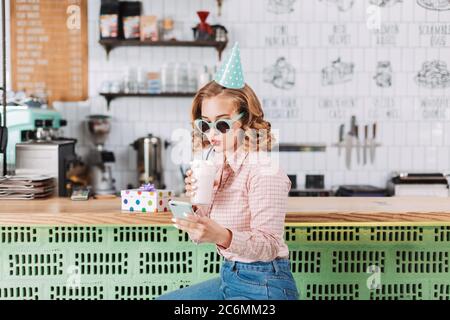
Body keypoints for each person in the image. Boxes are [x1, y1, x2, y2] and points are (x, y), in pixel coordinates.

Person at [157, 43, 299, 300]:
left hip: (265, 283)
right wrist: (198, 207)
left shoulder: (264, 171)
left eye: (222, 124)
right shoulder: (215, 165)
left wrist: (220, 235)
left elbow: (268, 245)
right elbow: (207, 228)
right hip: (230, 276)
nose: (211, 134)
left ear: (245, 120)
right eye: (205, 124)